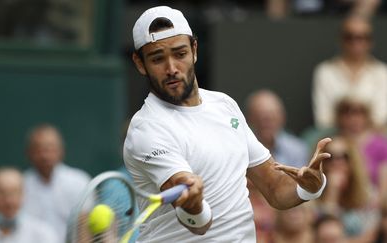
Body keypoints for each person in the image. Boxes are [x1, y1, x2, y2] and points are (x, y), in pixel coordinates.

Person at [123, 5, 331, 242]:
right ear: (140, 63)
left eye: (180, 54)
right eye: (158, 59)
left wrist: (312, 187)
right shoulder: (146, 129)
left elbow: (275, 189)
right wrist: (194, 206)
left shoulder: (224, 105)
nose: (171, 69)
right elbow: (199, 225)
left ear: (194, 50)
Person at [312, 14, 387, 129]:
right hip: (335, 139)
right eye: (349, 37)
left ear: (370, 41)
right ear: (341, 40)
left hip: (371, 136)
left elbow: (383, 116)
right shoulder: (325, 71)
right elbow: (323, 118)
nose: (355, 43)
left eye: (362, 37)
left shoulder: (383, 72)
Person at [21, 123, 91, 242]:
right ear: (29, 153)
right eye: (39, 149)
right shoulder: (20, 185)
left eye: (50, 148)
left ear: (61, 151)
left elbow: (85, 226)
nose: (44, 155)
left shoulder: (79, 181)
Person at [316, 136, 379, 242]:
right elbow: (323, 233)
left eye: (343, 157)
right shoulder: (312, 193)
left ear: (352, 161)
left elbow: (369, 237)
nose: (336, 162)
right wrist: (332, 192)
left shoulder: (368, 193)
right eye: (330, 157)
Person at [333, 96, 387, 202]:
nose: (353, 118)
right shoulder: (333, 144)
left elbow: (385, 191)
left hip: (372, 205)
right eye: (347, 113)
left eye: (359, 113)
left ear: (367, 115)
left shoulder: (382, 145)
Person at [0, 167, 58, 243]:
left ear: (23, 196)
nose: (9, 201)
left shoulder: (43, 234)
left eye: (14, 193)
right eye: (1, 194)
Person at [245, 89, 309, 168]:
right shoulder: (242, 149)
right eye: (260, 116)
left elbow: (300, 179)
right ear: (249, 119)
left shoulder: (297, 149)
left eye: (272, 116)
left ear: (282, 118)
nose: (266, 123)